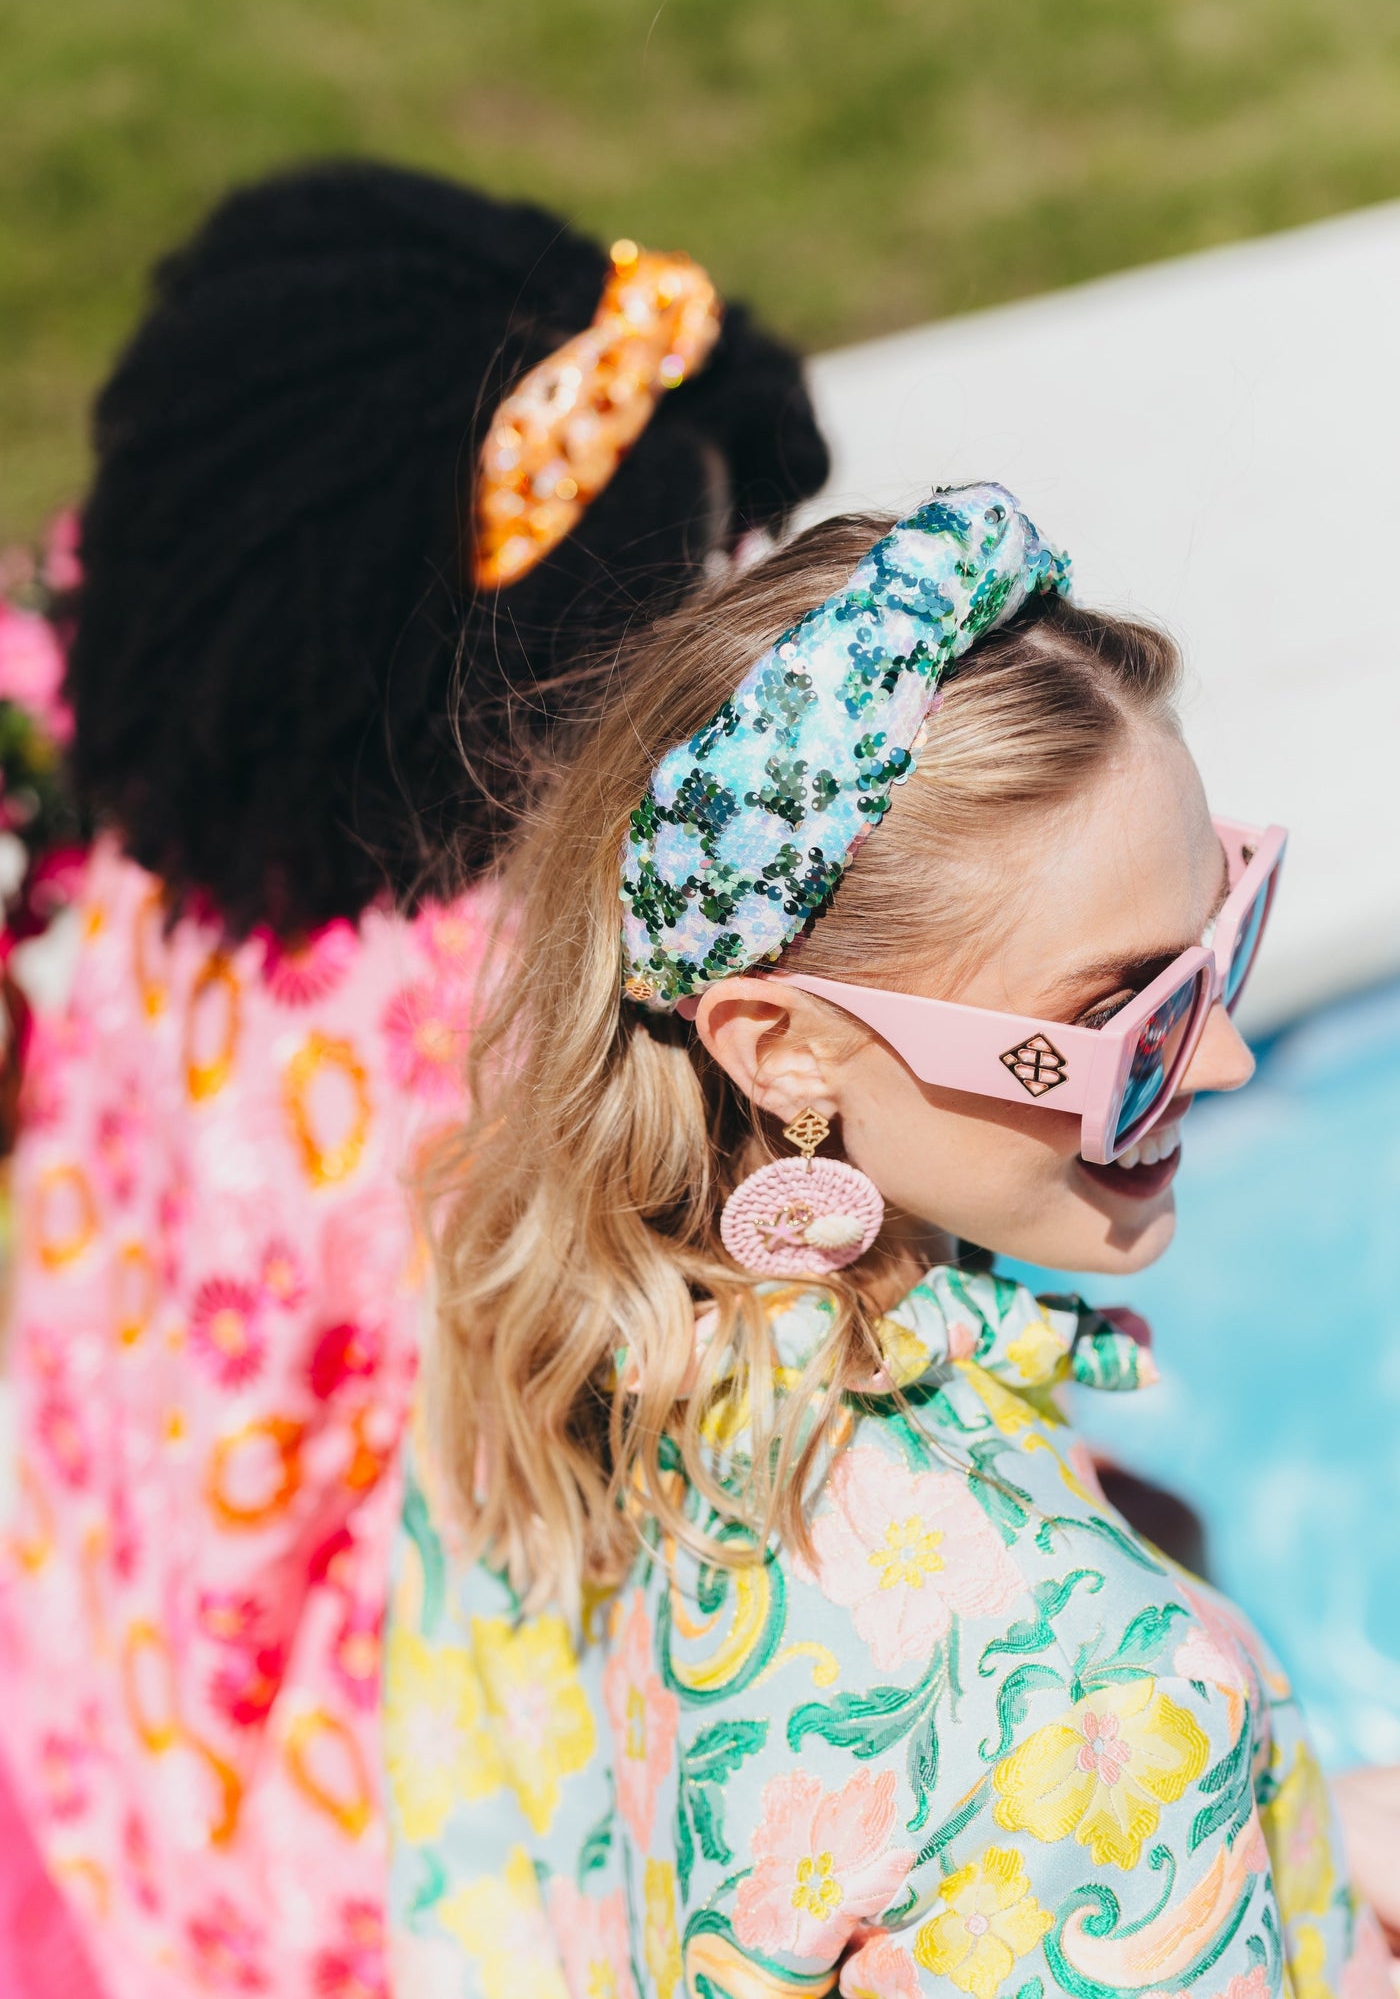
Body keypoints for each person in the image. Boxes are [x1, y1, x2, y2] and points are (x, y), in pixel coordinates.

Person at [383, 487, 1392, 1997]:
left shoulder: (559, 1342)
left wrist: (1302, 1820)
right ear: (780, 1047)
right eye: (1123, 1015)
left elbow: (481, 1868)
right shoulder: (1104, 1693)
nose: (1233, 1057)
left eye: (1224, 934)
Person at [0, 160, 828, 1999]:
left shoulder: (166, 858)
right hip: (376, 1878)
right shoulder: (551, 1015)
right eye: (691, 594)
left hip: (103, 1732)